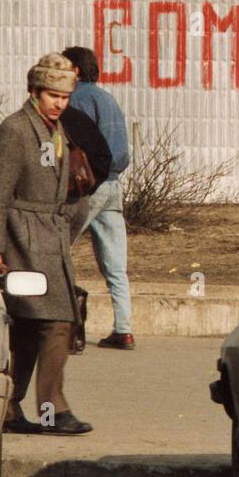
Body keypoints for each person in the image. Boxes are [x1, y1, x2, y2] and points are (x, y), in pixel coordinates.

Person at [0, 53, 93, 435]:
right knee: (57, 323)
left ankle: (10, 410)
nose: (59, 103)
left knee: (30, 329)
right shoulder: (16, 130)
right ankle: (52, 411)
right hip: (22, 241)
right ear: (34, 91)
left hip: (50, 241)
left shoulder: (55, 129)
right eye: (52, 95)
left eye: (65, 96)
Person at [62, 45, 135, 350]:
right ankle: (124, 328)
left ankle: (68, 326)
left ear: (75, 71)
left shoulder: (77, 99)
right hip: (114, 185)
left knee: (57, 250)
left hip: (89, 187)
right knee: (116, 265)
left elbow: (75, 146)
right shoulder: (108, 99)